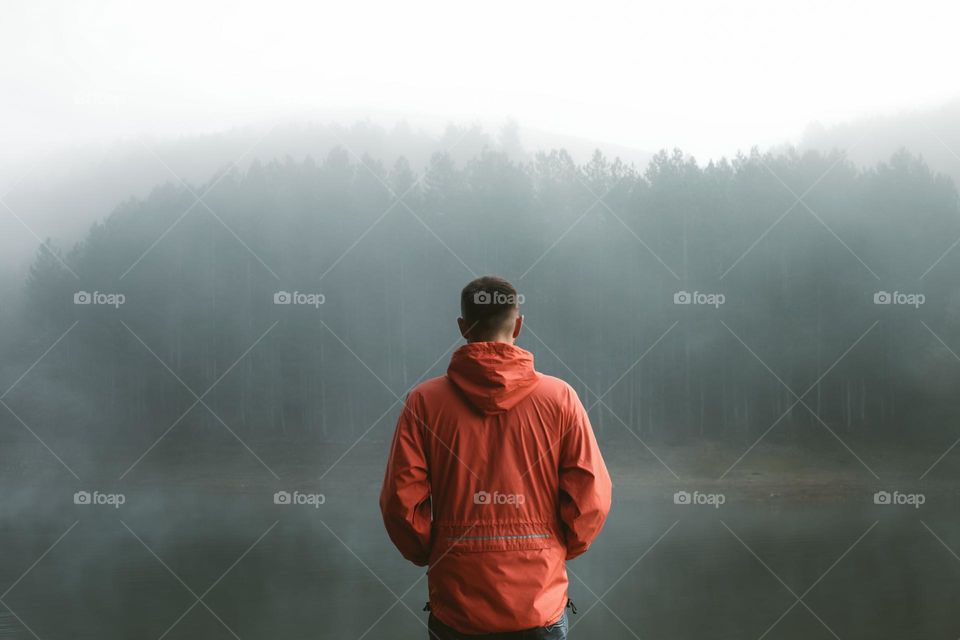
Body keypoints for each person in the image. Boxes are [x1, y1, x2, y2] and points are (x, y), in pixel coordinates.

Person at [380, 276, 613, 639]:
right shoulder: (560, 398)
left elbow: (400, 501)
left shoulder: (424, 402)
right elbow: (591, 497)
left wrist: (431, 551)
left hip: (457, 606)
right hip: (539, 603)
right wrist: (557, 547)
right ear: (518, 325)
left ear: (462, 327)